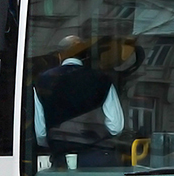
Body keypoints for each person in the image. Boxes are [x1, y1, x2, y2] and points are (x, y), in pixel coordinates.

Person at [33, 35, 124, 167]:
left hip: (61, 157)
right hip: (97, 158)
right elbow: (116, 126)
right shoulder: (102, 79)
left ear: (59, 55)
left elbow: (40, 132)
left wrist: (56, 144)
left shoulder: (43, 81)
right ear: (84, 55)